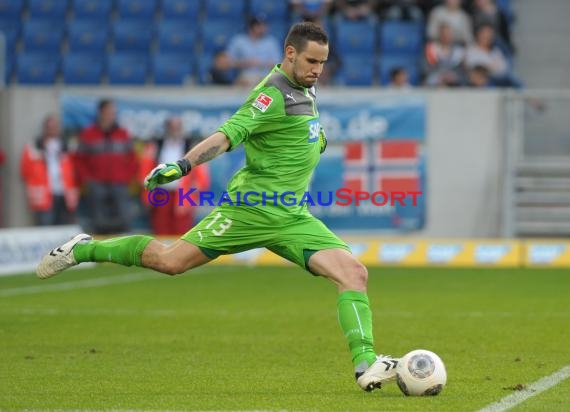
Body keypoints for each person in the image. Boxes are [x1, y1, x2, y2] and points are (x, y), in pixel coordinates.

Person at [36, 22, 399, 392]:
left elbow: (294, 132)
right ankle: (83, 248)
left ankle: (366, 365)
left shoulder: (305, 85)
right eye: (311, 60)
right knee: (170, 262)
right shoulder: (270, 95)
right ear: (290, 53)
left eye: (323, 62)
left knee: (353, 273)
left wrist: (313, 139)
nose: (318, 69)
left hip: (291, 216)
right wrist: (183, 165)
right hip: (248, 211)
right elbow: (228, 135)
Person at [75, 99, 138, 234]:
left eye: (113, 112)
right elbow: (79, 160)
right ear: (100, 113)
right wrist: (87, 179)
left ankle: (124, 248)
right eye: (108, 112)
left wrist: (126, 177)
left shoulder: (123, 133)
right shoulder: (88, 134)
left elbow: (132, 159)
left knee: (124, 218)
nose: (111, 115)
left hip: (119, 183)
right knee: (98, 220)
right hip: (96, 184)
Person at [139, 117, 211, 235]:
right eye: (172, 127)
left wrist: (197, 186)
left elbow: (202, 173)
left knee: (182, 228)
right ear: (167, 129)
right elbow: (145, 169)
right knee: (160, 226)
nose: (175, 130)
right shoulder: (157, 146)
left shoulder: (190, 147)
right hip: (161, 192)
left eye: (178, 127)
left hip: (184, 193)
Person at [20, 115, 79, 226]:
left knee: (64, 231)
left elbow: (76, 168)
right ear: (44, 129)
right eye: (50, 127)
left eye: (55, 127)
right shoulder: (34, 146)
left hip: (65, 195)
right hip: (44, 197)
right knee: (45, 230)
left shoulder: (67, 146)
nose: (53, 130)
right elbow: (25, 171)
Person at [226, 16, 281, 87]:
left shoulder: (271, 42)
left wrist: (261, 63)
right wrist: (244, 63)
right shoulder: (239, 40)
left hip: (265, 76)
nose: (262, 28)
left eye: (264, 25)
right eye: (259, 25)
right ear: (251, 27)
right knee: (244, 82)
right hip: (246, 76)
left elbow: (278, 64)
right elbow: (228, 62)